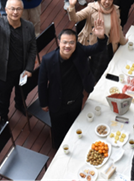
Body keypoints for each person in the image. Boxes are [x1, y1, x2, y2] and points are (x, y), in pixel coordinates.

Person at [38, 20, 107, 148]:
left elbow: (98, 48)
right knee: (58, 131)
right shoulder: (48, 60)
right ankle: (58, 149)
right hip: (57, 104)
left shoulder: (80, 51)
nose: (67, 46)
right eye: (64, 42)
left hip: (76, 101)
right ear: (59, 42)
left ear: (76, 43)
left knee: (74, 125)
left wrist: (101, 37)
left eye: (71, 42)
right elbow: (42, 83)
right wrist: (43, 103)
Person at [0, 0, 37, 130]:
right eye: (12, 9)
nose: (15, 12)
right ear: (6, 10)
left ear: (22, 10)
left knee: (22, 91)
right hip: (3, 71)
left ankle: (19, 104)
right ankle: (3, 116)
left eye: (18, 9)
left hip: (21, 69)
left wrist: (29, 68)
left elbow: (33, 47)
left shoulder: (28, 26)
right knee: (3, 96)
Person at [67, 0, 127, 83]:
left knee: (105, 68)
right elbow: (75, 18)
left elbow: (118, 28)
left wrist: (123, 41)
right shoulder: (91, 8)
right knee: (92, 70)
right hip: (93, 44)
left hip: (108, 44)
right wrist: (71, 6)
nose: (107, 2)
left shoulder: (115, 11)